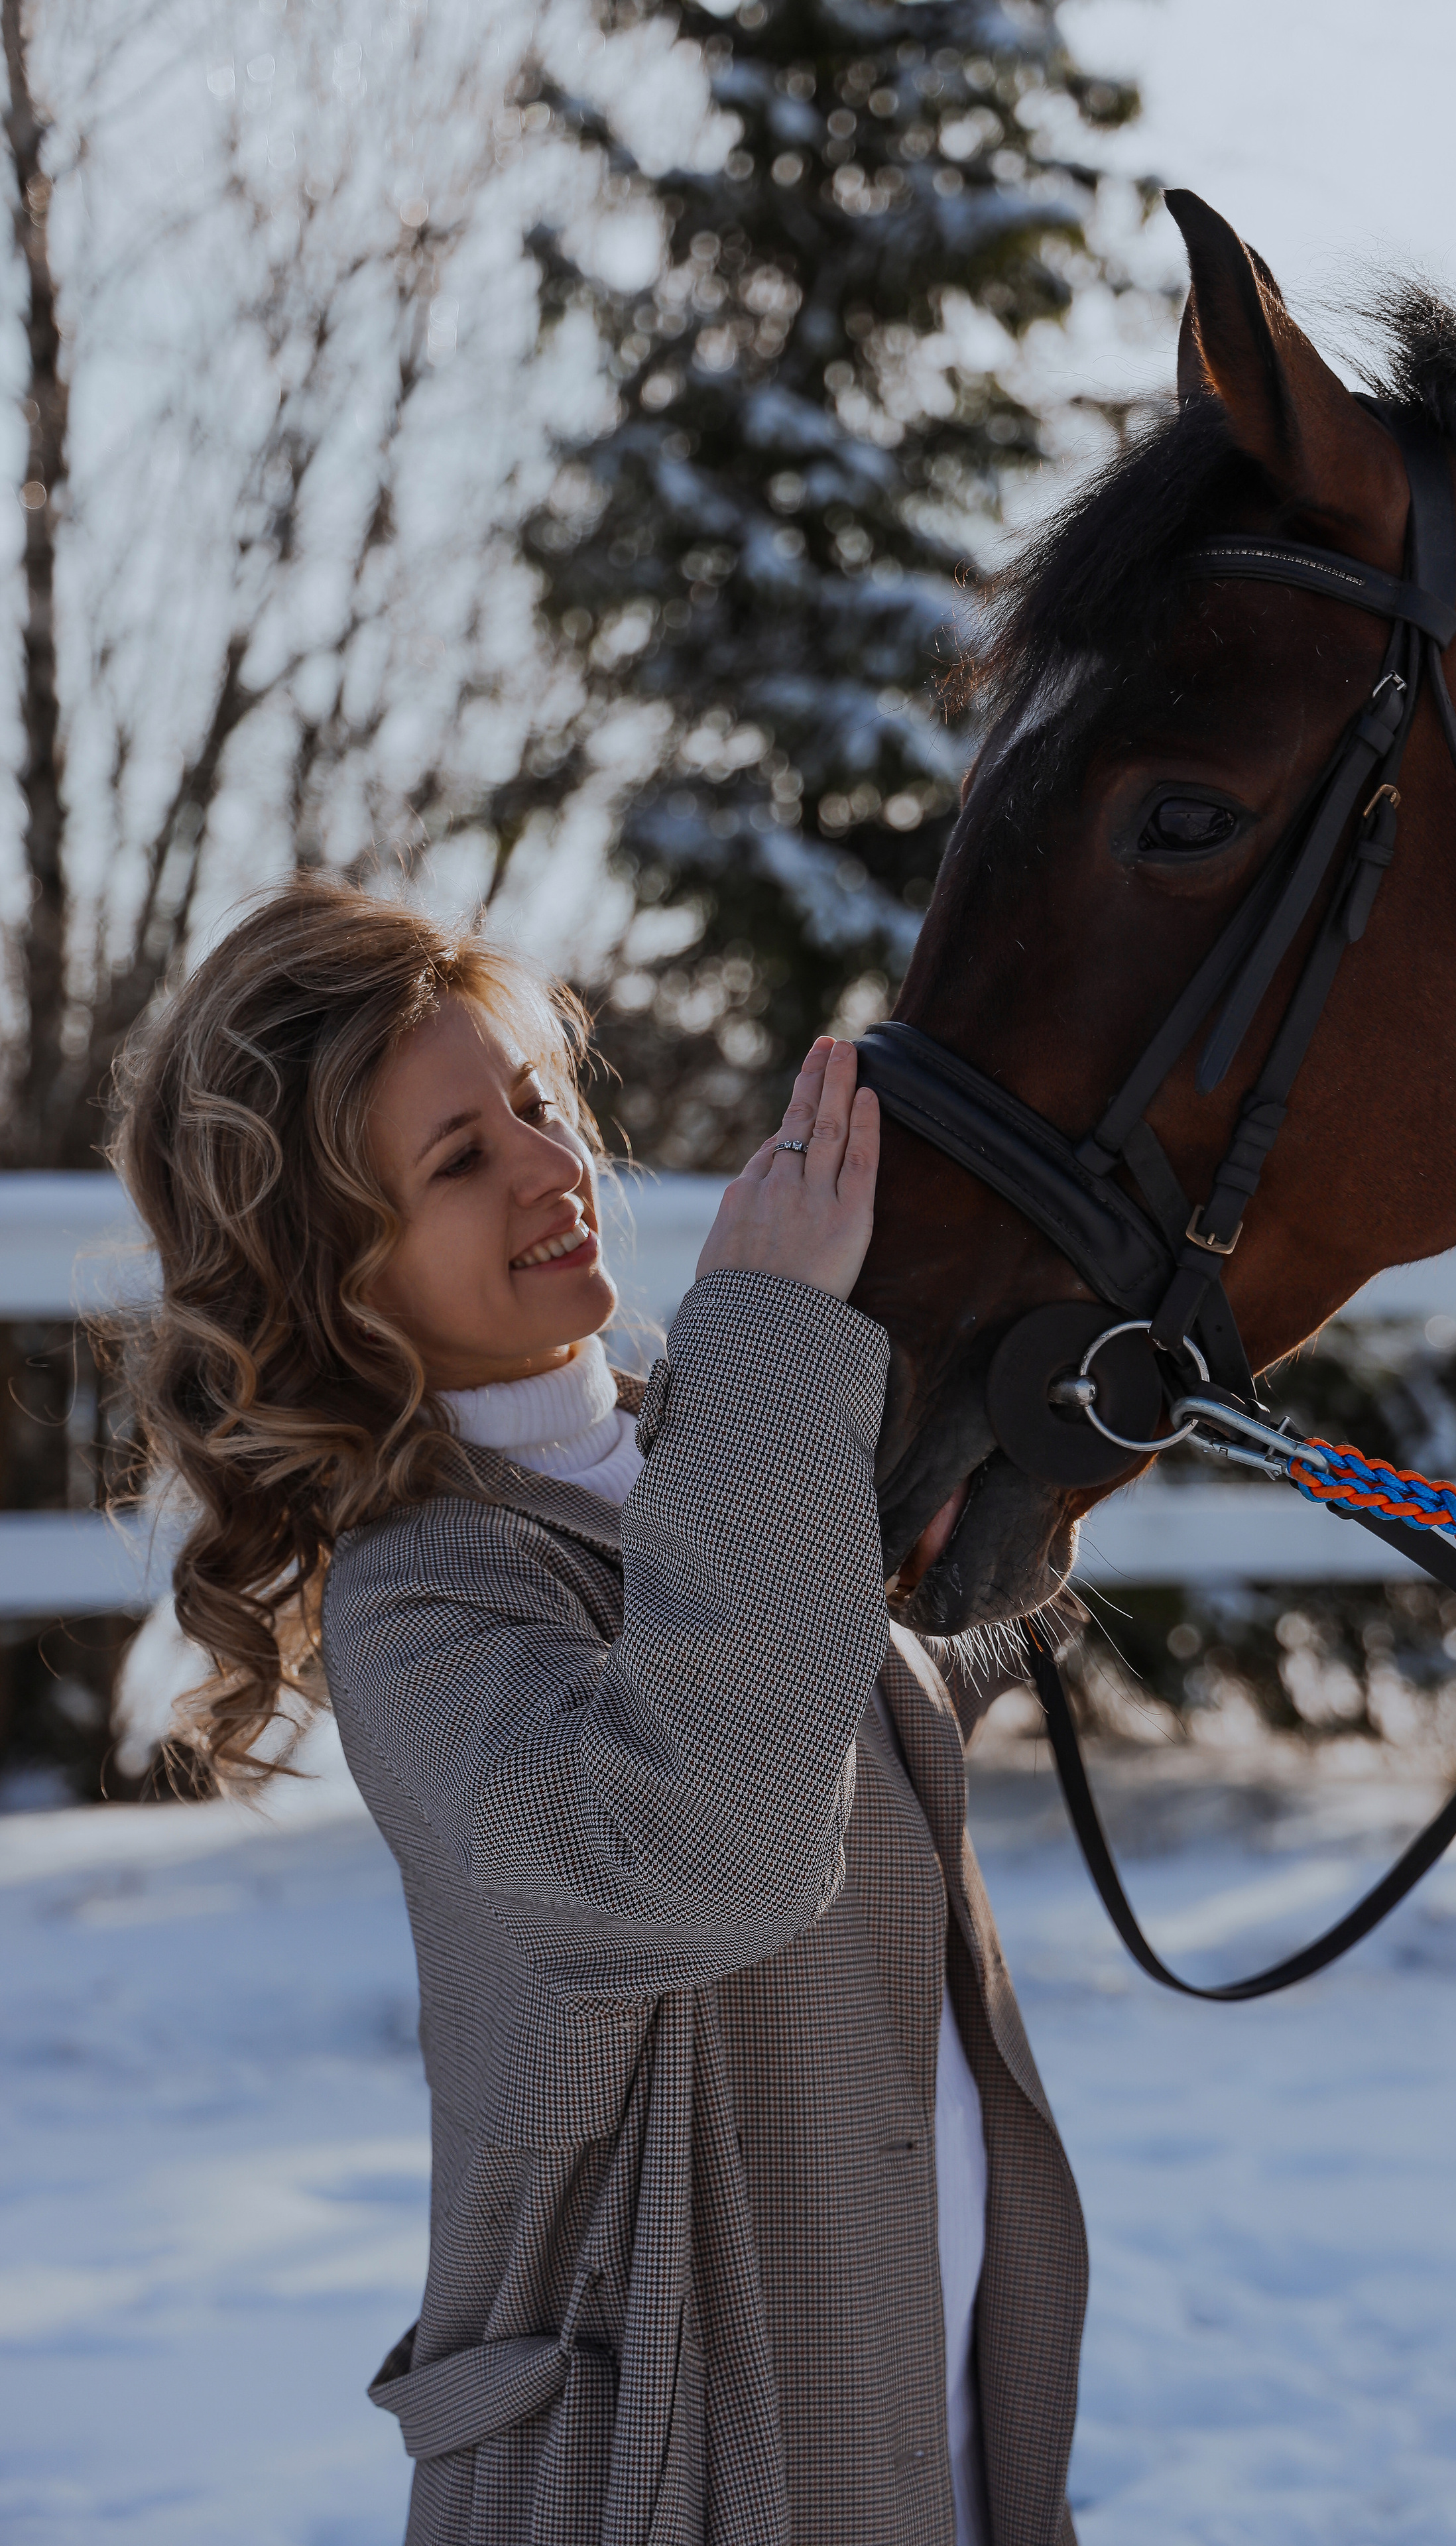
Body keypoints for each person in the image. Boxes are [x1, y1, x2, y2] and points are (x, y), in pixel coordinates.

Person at [112, 876, 1086, 2545]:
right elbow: (691, 1857)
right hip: (661, 2466)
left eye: (536, 1104)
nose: (550, 1168)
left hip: (911, 2395)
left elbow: (846, 1689)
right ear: (333, 1273)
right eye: (456, 1160)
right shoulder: (426, 1603)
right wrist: (777, 1341)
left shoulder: (701, 1445)